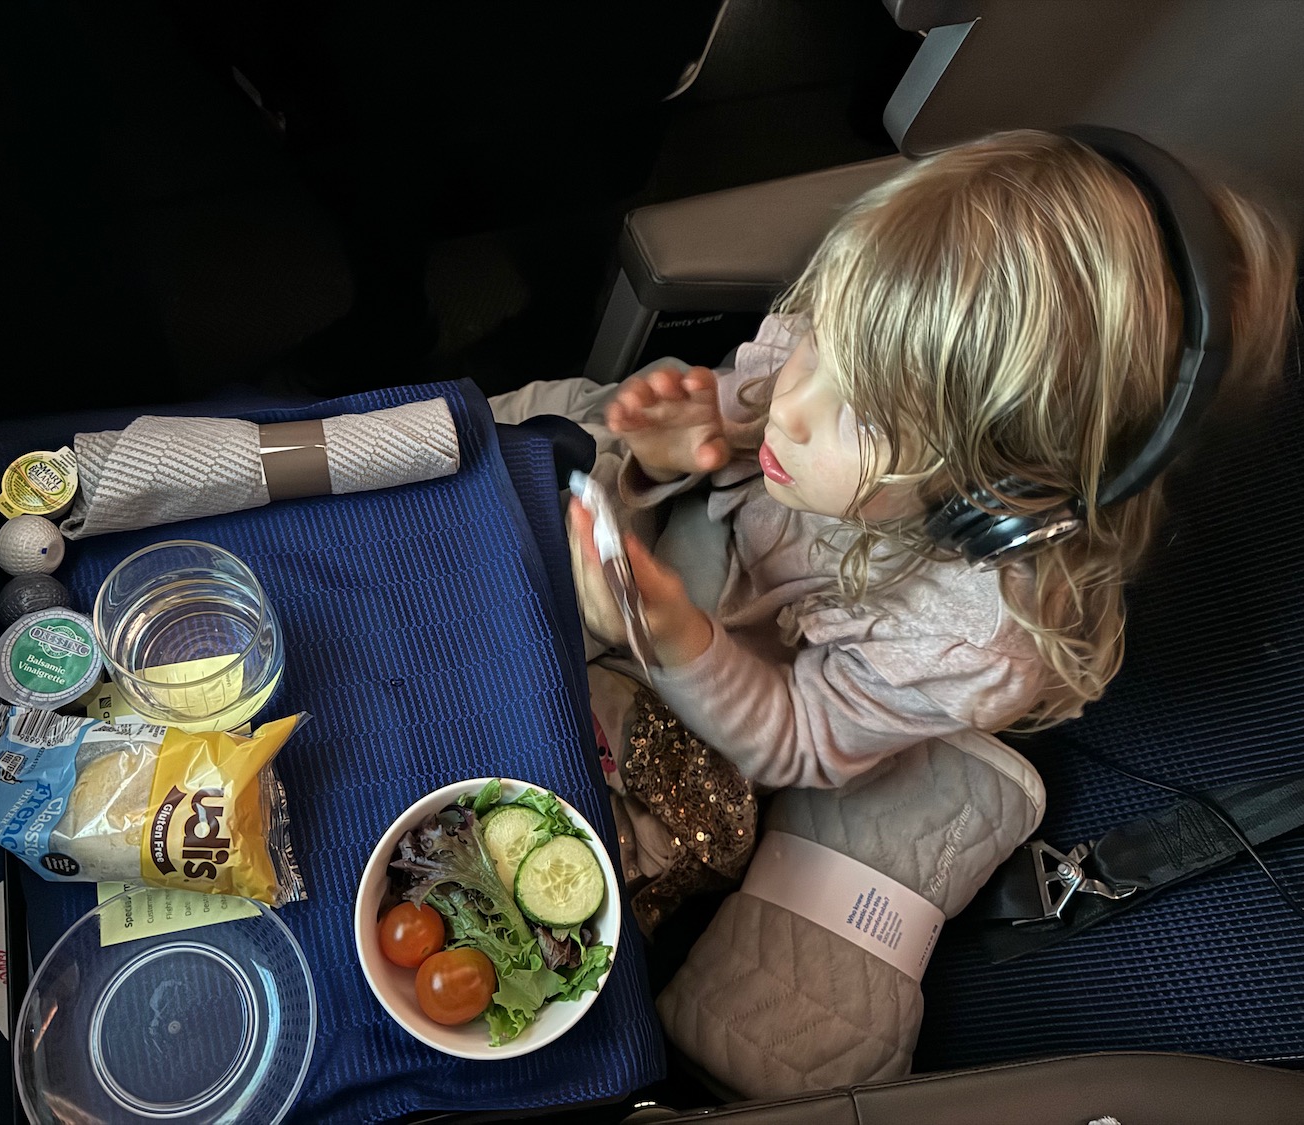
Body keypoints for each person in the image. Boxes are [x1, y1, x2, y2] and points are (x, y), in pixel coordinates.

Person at [490, 129, 1298, 933]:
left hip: (710, 708)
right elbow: (745, 412)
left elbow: (798, 740)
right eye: (818, 339)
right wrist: (671, 454)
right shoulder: (826, 369)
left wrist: (674, 639)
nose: (790, 406)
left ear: (997, 486)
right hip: (667, 553)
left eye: (864, 417)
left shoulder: (967, 641)